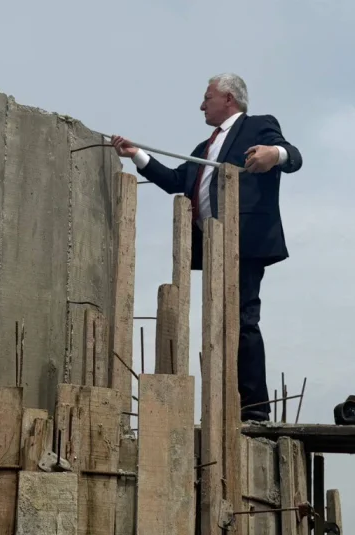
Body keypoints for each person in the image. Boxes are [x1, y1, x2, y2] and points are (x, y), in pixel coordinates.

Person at [111, 72, 303, 422]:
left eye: (207, 98)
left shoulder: (258, 126)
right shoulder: (204, 149)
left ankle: (255, 410)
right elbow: (175, 180)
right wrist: (136, 154)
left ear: (229, 98)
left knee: (243, 319)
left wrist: (273, 154)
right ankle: (229, 406)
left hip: (245, 240)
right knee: (220, 324)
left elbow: (294, 156)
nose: (202, 106)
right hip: (212, 245)